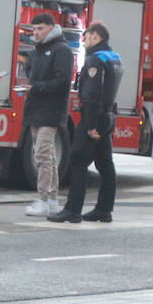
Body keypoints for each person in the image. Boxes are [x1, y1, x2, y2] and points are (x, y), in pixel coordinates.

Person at [51, 23, 122, 224]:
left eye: (87, 37)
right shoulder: (115, 58)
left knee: (78, 160)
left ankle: (72, 210)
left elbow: (92, 94)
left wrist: (90, 125)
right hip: (108, 116)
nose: (84, 40)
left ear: (97, 36)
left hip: (94, 116)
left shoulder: (95, 60)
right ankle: (104, 210)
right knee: (105, 164)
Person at [21, 13, 73, 217]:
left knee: (42, 154)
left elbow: (63, 82)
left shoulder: (62, 50)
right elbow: (31, 71)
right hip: (36, 108)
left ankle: (43, 199)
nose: (36, 33)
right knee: (48, 156)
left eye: (40, 29)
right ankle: (51, 199)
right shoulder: (37, 51)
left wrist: (35, 87)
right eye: (34, 30)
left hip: (51, 110)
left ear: (52, 28)